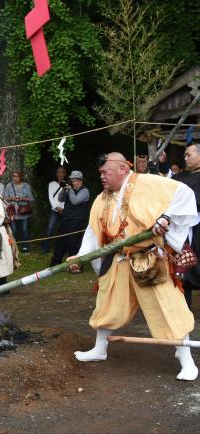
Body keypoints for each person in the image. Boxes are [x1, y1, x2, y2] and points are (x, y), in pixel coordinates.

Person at [68, 152, 198, 381]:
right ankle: (99, 350)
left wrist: (166, 218)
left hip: (148, 260)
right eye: (100, 173)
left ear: (122, 169)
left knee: (168, 307)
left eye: (105, 172)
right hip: (119, 260)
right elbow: (92, 232)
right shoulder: (102, 198)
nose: (101, 177)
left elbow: (184, 194)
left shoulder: (148, 183)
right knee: (107, 303)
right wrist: (80, 256)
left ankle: (186, 360)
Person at [173, 142, 200, 306]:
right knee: (185, 269)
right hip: (185, 230)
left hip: (197, 228)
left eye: (189, 155)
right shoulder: (182, 177)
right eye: (184, 155)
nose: (185, 158)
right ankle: (183, 311)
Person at [50, 171, 89, 268]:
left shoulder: (84, 191)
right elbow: (60, 199)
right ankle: (55, 264)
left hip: (76, 221)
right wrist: (64, 189)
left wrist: (70, 190)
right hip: (65, 220)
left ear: (80, 181)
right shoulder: (69, 190)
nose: (72, 183)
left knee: (73, 243)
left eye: (74, 181)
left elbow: (75, 201)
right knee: (60, 242)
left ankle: (75, 266)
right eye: (71, 181)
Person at [4, 171, 34, 253]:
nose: (15, 178)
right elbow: (5, 198)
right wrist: (12, 198)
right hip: (12, 211)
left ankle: (25, 247)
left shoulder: (26, 186)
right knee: (13, 230)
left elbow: (31, 199)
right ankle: (12, 247)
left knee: (24, 230)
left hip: (23, 211)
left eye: (17, 176)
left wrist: (22, 198)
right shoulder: (9, 186)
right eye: (13, 176)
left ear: (20, 177)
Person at [41, 166, 67, 254]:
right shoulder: (51, 184)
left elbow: (67, 198)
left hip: (65, 210)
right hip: (55, 210)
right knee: (50, 228)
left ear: (65, 174)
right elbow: (50, 197)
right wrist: (56, 207)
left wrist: (63, 208)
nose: (60, 174)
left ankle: (65, 249)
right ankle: (45, 248)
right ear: (56, 174)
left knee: (65, 229)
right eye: (58, 172)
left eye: (62, 172)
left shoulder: (67, 184)